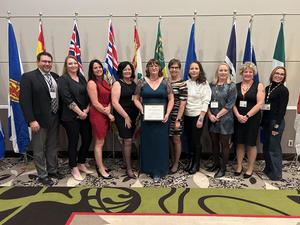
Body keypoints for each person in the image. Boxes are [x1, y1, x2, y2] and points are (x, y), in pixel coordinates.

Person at [20, 51, 62, 186]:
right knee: (39, 149)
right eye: (44, 61)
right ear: (38, 62)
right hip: (39, 120)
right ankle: (42, 175)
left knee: (52, 147)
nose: (47, 64)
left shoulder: (55, 77)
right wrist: (31, 120)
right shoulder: (28, 77)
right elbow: (24, 101)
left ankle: (52, 171)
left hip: (55, 118)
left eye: (49, 61)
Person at [133, 58, 174, 182]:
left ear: (159, 68)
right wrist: (142, 109)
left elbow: (171, 99)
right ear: (148, 69)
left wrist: (167, 113)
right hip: (147, 119)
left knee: (161, 144)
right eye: (151, 66)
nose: (154, 68)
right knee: (148, 143)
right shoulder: (142, 82)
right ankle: (148, 168)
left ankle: (159, 170)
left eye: (156, 66)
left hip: (162, 120)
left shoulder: (166, 81)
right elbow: (135, 98)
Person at [58, 55, 93, 181]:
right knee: (73, 142)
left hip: (84, 114)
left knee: (88, 139)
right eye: (70, 64)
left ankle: (81, 162)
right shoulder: (63, 79)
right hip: (70, 117)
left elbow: (89, 96)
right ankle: (73, 167)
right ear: (66, 66)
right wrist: (79, 112)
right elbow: (67, 99)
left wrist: (86, 110)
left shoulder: (82, 78)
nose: (73, 65)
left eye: (75, 63)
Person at [233, 62, 265, 179]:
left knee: (251, 144)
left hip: (252, 119)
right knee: (239, 142)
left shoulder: (259, 85)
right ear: (242, 73)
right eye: (245, 72)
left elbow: (260, 103)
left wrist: (246, 116)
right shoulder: (236, 86)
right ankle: (239, 166)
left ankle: (250, 167)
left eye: (250, 72)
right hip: (238, 119)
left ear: (253, 73)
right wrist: (238, 115)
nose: (247, 74)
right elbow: (232, 103)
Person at [207, 63, 237, 178]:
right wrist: (210, 115)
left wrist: (217, 116)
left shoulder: (231, 86)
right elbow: (207, 102)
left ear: (228, 72)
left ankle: (223, 168)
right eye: (221, 70)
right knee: (214, 143)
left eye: (225, 70)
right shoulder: (211, 85)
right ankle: (216, 163)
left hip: (225, 120)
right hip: (212, 119)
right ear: (217, 72)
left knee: (224, 145)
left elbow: (230, 104)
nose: (223, 72)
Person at [87, 59, 115, 179]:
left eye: (99, 67)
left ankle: (101, 165)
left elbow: (109, 98)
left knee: (102, 141)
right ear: (92, 70)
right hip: (97, 114)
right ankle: (100, 169)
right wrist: (108, 114)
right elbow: (95, 103)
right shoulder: (92, 83)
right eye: (95, 68)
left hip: (105, 112)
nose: (98, 69)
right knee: (99, 143)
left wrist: (109, 107)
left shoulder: (104, 81)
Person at [261, 66, 289, 181]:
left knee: (274, 149)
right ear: (273, 74)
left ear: (284, 77)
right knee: (266, 147)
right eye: (277, 73)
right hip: (267, 121)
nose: (279, 75)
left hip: (276, 122)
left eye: (282, 74)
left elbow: (282, 110)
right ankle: (268, 169)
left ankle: (276, 174)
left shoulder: (283, 90)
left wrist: (276, 126)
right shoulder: (268, 88)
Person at [111, 61, 138, 178]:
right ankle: (129, 168)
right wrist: (126, 116)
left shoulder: (133, 83)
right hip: (122, 116)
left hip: (133, 116)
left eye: (129, 69)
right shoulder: (117, 84)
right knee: (127, 141)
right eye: (125, 70)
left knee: (127, 140)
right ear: (121, 71)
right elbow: (114, 102)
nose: (127, 71)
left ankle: (124, 162)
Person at [184, 61, 211, 175]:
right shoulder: (185, 83)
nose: (194, 70)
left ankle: (196, 163)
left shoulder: (204, 83)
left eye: (196, 68)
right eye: (192, 69)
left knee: (196, 141)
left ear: (200, 70)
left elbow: (206, 101)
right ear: (189, 71)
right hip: (187, 115)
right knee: (189, 140)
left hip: (198, 115)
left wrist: (201, 118)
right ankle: (190, 161)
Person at [168, 59, 187, 174]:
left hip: (176, 115)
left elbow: (183, 103)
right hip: (166, 115)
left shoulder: (182, 84)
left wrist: (178, 120)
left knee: (176, 139)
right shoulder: (165, 81)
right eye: (172, 67)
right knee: (169, 139)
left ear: (179, 69)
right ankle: (171, 160)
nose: (174, 70)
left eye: (176, 67)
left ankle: (176, 163)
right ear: (169, 69)